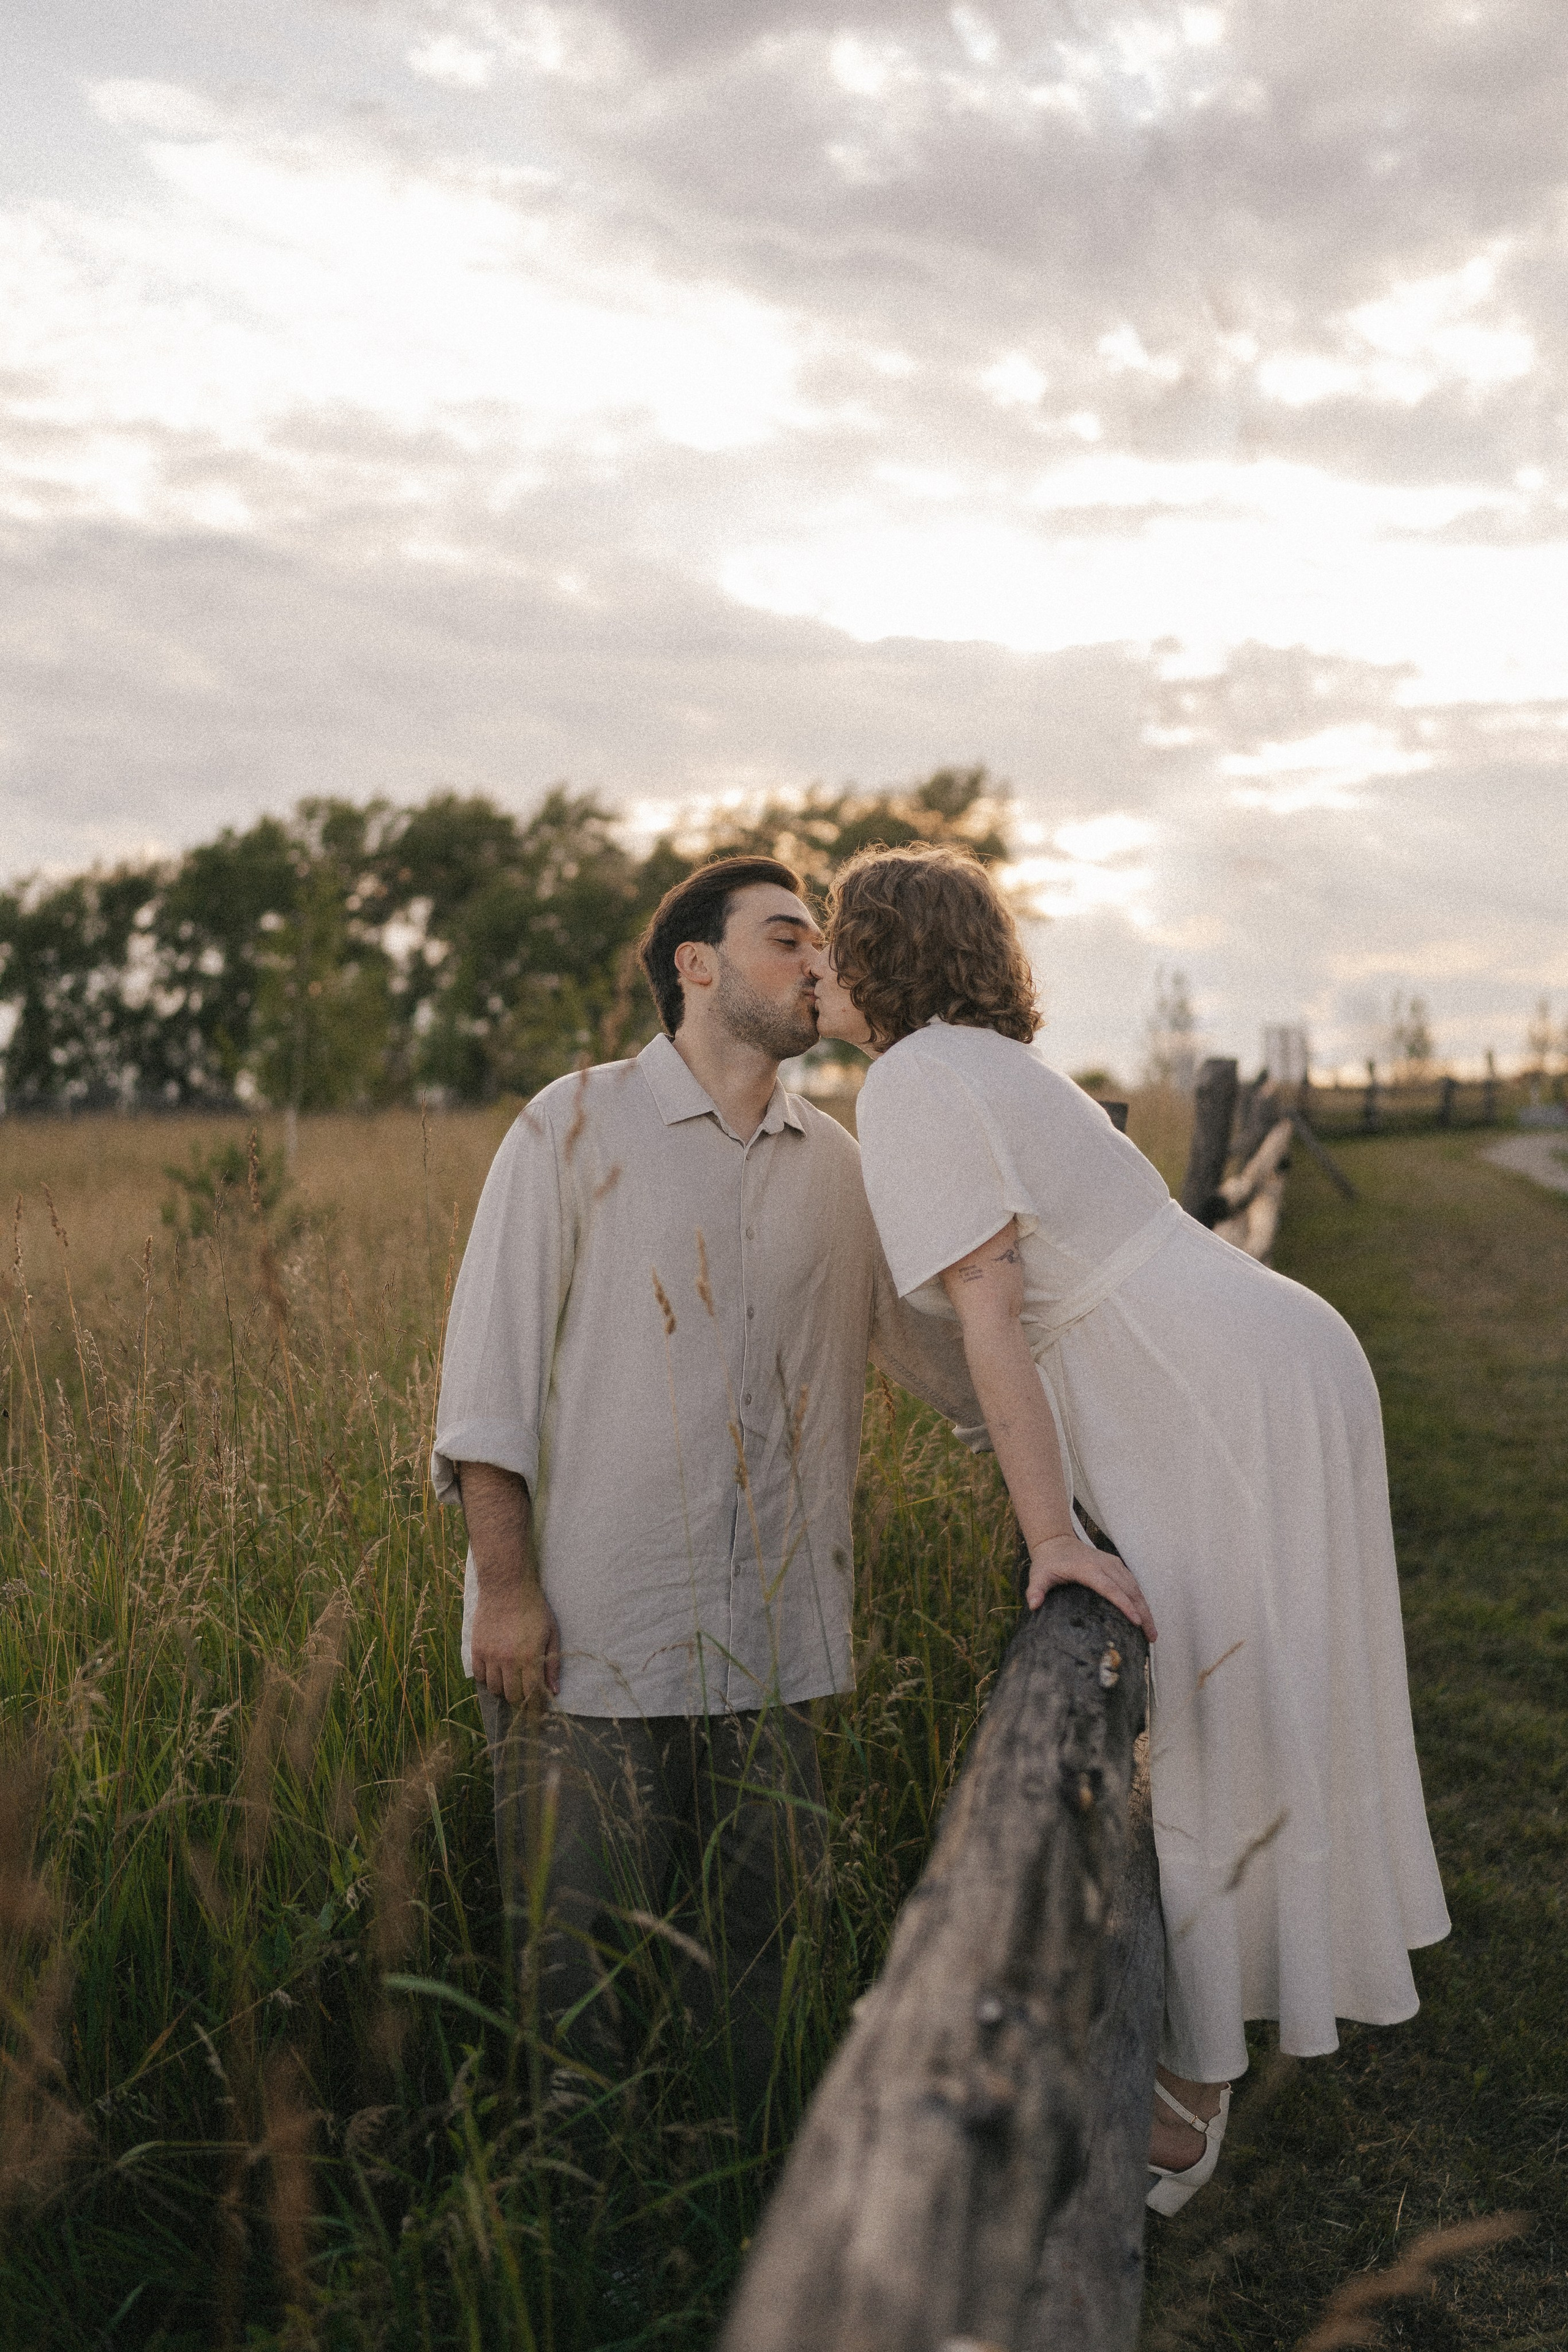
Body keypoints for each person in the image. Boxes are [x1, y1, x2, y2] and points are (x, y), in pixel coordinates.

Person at [809, 843, 1449, 2215]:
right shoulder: (990, 1062)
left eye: (834, 942)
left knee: (1220, 1705)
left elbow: (989, 1315)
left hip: (1208, 1388)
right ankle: (1201, 2069)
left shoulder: (917, 1074)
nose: (823, 970)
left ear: (878, 956)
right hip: (1249, 1362)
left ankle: (1190, 2094)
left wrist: (1050, 1536)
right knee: (1247, 1700)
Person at [431, 854, 982, 2144]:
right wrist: (505, 1595)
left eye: (819, 944)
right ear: (697, 964)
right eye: (786, 938)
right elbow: (486, 1389)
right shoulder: (565, 1125)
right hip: (585, 1642)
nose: (816, 965)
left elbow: (944, 1367)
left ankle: (745, 2202)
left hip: (774, 1646)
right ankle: (585, 2231)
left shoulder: (840, 1166)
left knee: (758, 1960)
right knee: (572, 1971)